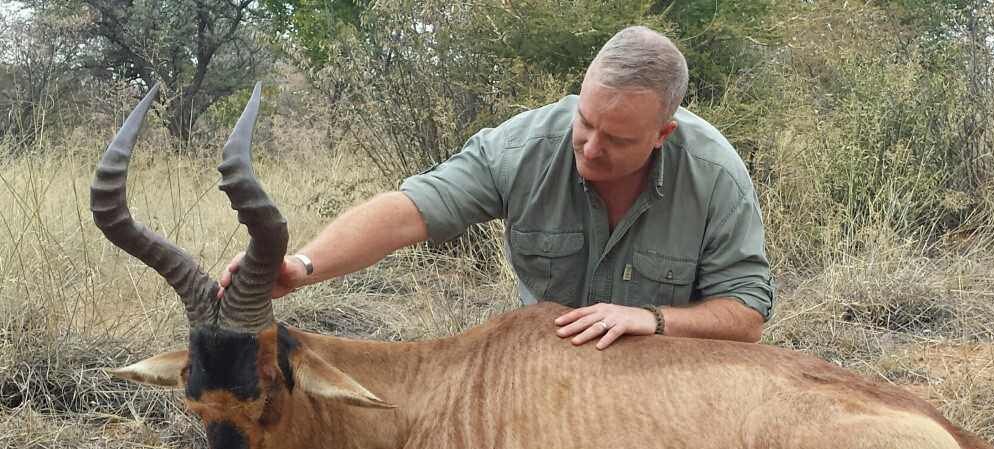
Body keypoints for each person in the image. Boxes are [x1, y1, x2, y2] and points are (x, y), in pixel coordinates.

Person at [219, 26, 774, 350]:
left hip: (666, 368)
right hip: (544, 369)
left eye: (619, 139)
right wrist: (303, 266)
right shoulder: (521, 147)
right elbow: (411, 210)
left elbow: (746, 313)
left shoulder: (714, 173)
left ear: (662, 134)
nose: (591, 148)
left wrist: (650, 320)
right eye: (586, 122)